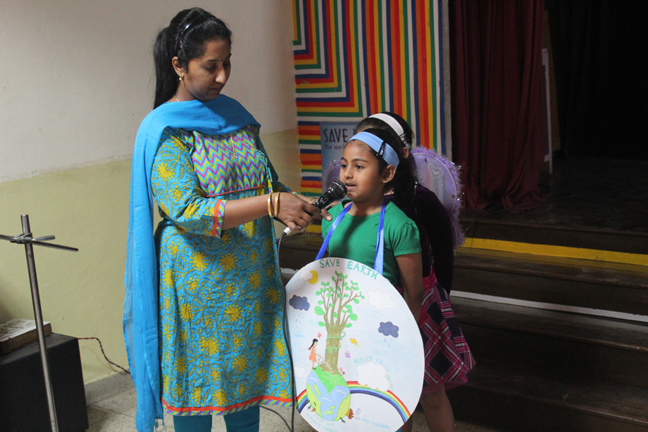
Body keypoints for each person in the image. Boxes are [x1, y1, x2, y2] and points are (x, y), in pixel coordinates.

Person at [123, 8, 321, 432]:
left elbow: (265, 182)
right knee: (197, 393)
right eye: (210, 66)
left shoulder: (236, 117)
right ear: (179, 65)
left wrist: (294, 200)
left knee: (245, 385)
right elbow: (189, 211)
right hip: (199, 284)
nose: (222, 76)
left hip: (250, 280)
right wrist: (271, 204)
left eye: (227, 63)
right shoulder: (165, 130)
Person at [355, 113, 475, 432]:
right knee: (392, 392)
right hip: (376, 309)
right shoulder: (352, 206)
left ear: (401, 155)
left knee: (431, 392)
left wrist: (437, 304)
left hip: (418, 305)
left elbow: (443, 256)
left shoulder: (423, 201)